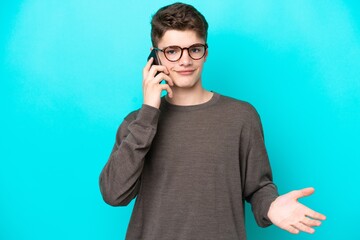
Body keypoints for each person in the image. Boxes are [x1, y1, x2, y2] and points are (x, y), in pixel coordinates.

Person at [99, 2, 326, 239]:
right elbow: (114, 194)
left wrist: (271, 206)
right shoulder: (138, 122)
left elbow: (258, 188)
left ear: (205, 52)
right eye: (172, 51)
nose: (185, 61)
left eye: (194, 49)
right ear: (155, 57)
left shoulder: (241, 116)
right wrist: (148, 112)